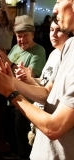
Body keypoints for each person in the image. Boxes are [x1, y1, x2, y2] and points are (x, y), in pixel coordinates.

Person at [0, 0, 74, 159]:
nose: (54, 8)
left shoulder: (43, 50)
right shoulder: (67, 48)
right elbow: (47, 92)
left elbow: (54, 128)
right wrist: (8, 82)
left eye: (59, 1)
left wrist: (11, 92)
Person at [0, 16, 46, 160]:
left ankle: (22, 155)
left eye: (25, 36)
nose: (21, 40)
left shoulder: (39, 51)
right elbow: (9, 71)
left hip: (27, 100)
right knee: (9, 127)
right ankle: (14, 152)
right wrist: (0, 63)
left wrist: (8, 62)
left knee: (22, 134)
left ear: (33, 34)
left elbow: (29, 76)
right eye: (19, 36)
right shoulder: (15, 47)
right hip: (11, 96)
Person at [15, 15, 73, 146]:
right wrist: (29, 78)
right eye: (52, 30)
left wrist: (11, 87)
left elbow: (48, 93)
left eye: (59, 30)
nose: (54, 34)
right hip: (41, 111)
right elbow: (44, 83)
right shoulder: (54, 54)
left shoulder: (67, 58)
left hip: (53, 116)